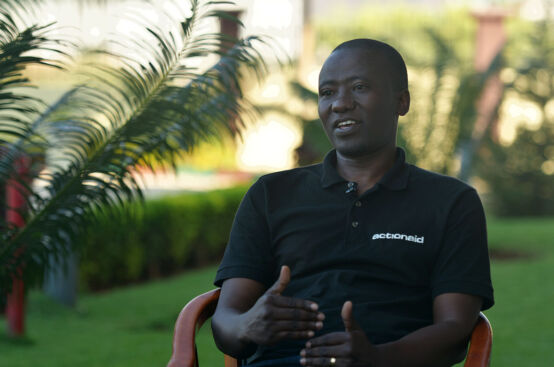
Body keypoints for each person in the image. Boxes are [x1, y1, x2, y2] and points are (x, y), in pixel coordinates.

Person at [211, 39, 494, 367]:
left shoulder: (451, 202)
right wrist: (248, 325)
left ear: (401, 101)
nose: (340, 104)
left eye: (359, 87)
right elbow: (225, 320)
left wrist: (378, 357)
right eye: (327, 92)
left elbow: (455, 329)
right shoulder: (270, 194)